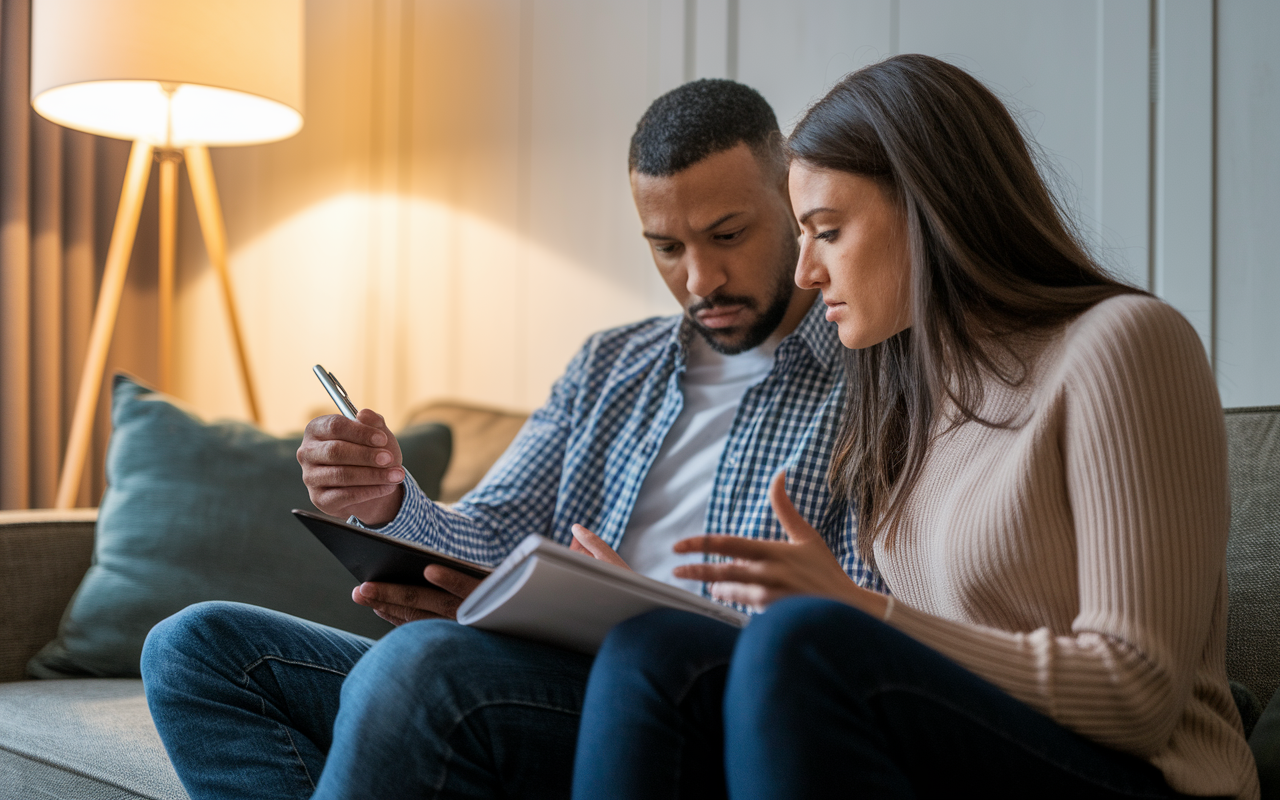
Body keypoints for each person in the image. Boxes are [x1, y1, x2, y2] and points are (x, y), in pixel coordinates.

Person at [140, 79, 879, 800]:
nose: (698, 280)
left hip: (678, 713)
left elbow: (849, 629)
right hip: (528, 681)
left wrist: (640, 613)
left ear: (791, 200)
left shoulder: (872, 378)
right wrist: (389, 500)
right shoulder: (609, 364)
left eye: (727, 236)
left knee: (424, 668)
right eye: (665, 247)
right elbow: (492, 531)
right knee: (193, 648)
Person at [571, 54, 1260, 800]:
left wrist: (859, 612)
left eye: (826, 232)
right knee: (654, 647)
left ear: (930, 208)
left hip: (1147, 778)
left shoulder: (1124, 343)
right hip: (965, 759)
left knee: (804, 642)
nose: (805, 272)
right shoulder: (908, 399)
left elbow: (1138, 696)